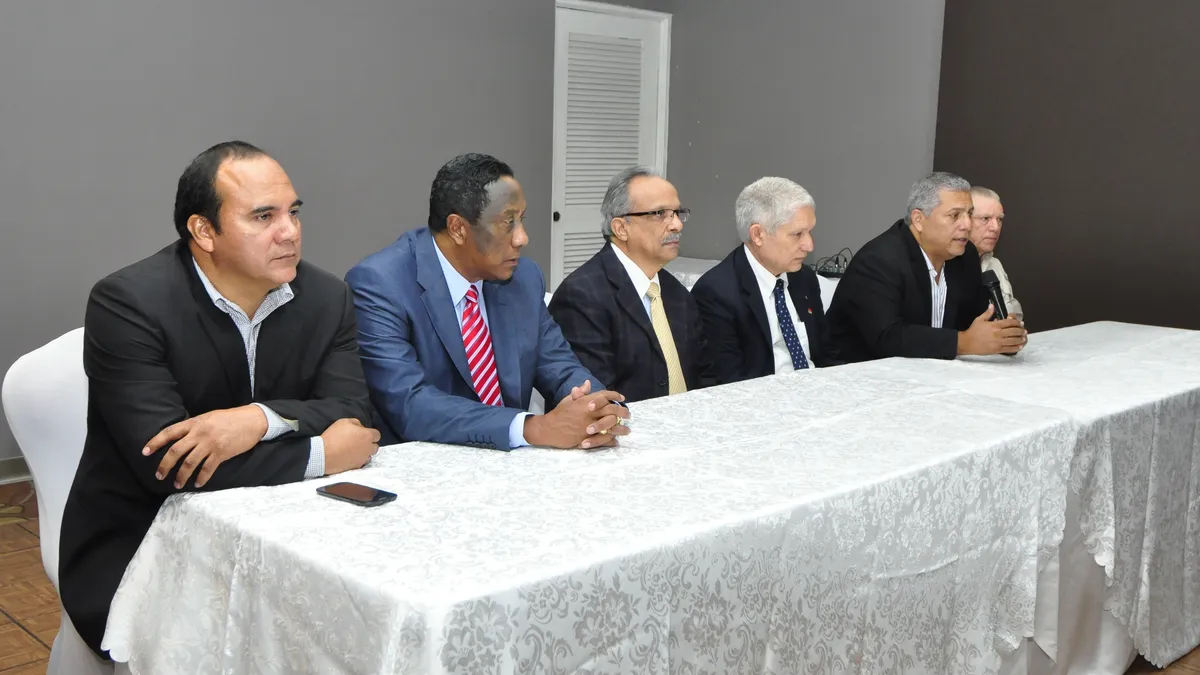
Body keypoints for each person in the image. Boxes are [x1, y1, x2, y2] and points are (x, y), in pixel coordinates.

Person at [59, 141, 381, 657]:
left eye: (294, 212)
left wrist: (258, 420)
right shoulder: (128, 302)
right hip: (144, 543)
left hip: (293, 533)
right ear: (204, 231)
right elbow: (168, 464)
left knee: (360, 628)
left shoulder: (327, 298)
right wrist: (321, 452)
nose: (290, 231)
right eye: (264, 216)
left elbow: (354, 412)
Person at [346, 153, 629, 451]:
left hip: (513, 463)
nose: (522, 238)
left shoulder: (523, 278)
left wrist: (595, 407)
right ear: (458, 228)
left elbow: (559, 365)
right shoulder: (381, 284)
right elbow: (410, 404)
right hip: (423, 463)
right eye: (508, 222)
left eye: (522, 220)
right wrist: (532, 428)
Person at [826, 171, 1027, 363]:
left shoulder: (965, 256)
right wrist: (962, 343)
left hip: (927, 371)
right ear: (919, 220)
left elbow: (973, 320)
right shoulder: (878, 260)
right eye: (955, 215)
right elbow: (887, 337)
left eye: (969, 213)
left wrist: (1001, 335)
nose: (967, 224)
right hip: (854, 373)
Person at [548, 167, 710, 402]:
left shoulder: (677, 293)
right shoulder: (581, 296)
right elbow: (596, 398)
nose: (677, 225)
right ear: (621, 228)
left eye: (677, 213)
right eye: (660, 213)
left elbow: (706, 375)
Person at [691, 177, 835, 384]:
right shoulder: (716, 293)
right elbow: (726, 382)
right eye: (797, 234)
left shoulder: (803, 278)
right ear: (757, 235)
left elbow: (826, 353)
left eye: (809, 232)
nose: (809, 245)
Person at [969, 186, 1024, 318]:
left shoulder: (995, 265)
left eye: (999, 219)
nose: (996, 227)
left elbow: (1015, 313)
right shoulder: (944, 269)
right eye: (985, 218)